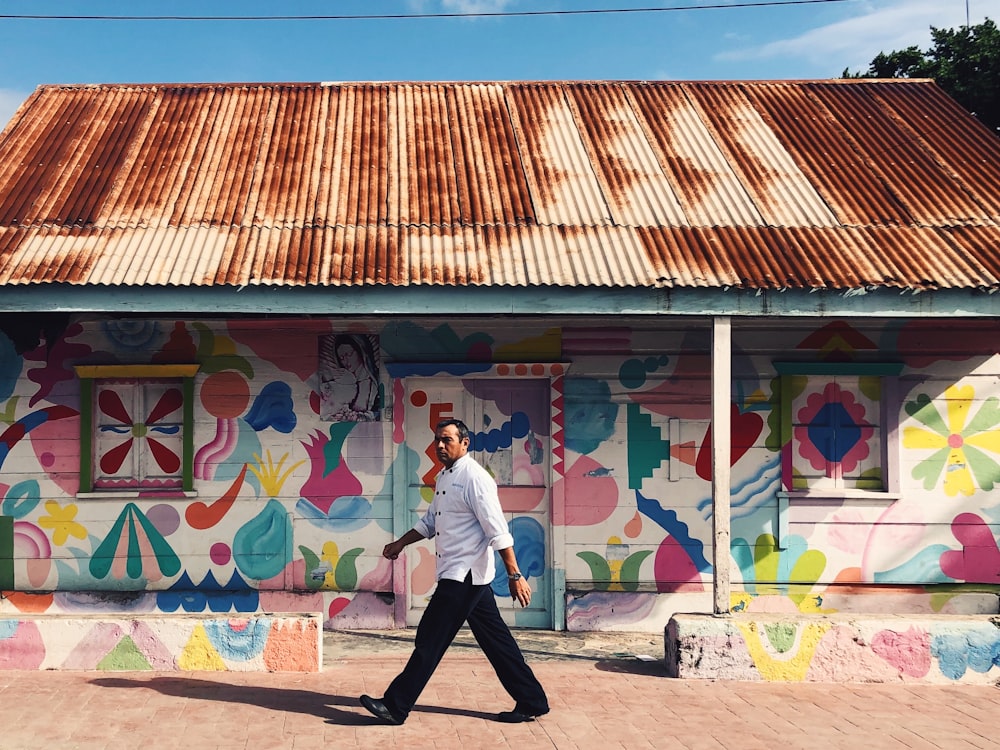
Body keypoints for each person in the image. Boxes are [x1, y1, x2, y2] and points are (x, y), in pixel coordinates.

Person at [359, 418, 549, 725]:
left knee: (429, 640)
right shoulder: (445, 477)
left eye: (447, 439)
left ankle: (396, 705)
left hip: (464, 576)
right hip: (463, 575)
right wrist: (400, 543)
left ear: (465, 443)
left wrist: (514, 575)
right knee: (497, 642)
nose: (440, 446)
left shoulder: (475, 478)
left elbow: (497, 530)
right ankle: (532, 700)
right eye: (437, 440)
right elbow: (431, 521)